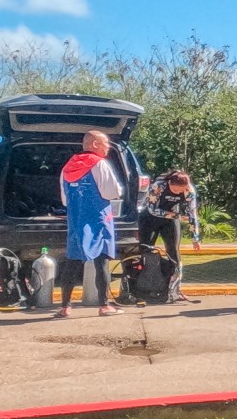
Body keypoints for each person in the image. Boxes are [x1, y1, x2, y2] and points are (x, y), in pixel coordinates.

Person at [55, 130, 124, 317]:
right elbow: (112, 192)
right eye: (106, 143)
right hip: (99, 220)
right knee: (101, 262)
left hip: (77, 221)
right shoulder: (100, 164)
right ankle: (104, 305)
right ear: (94, 144)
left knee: (72, 262)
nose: (108, 147)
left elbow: (65, 200)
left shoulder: (67, 167)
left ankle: (65, 307)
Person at [139, 169, 201, 302]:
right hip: (150, 219)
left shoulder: (189, 191)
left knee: (173, 252)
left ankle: (175, 289)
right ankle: (141, 287)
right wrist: (177, 216)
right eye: (177, 190)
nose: (179, 193)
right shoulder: (159, 186)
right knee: (145, 250)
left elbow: (192, 213)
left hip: (170, 220)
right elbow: (152, 209)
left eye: (182, 190)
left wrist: (195, 238)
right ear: (170, 184)